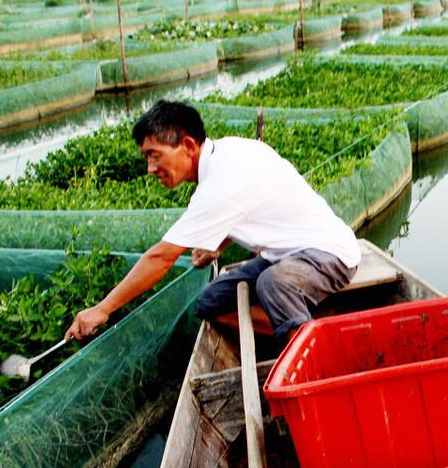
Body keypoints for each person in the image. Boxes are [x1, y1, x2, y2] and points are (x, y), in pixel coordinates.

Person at [65, 100, 360, 343]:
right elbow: (250, 205)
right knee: (211, 302)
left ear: (189, 145)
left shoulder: (220, 183)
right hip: (283, 254)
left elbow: (161, 258)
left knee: (272, 284)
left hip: (328, 254)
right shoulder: (228, 152)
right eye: (146, 158)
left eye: (155, 156)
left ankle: (311, 349)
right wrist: (218, 244)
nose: (150, 168)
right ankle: (305, 326)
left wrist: (102, 310)